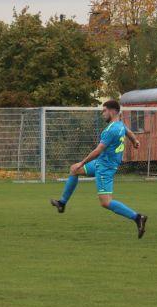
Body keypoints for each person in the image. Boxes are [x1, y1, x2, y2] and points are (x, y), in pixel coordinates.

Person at [49, 100, 148, 238]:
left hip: (105, 168)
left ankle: (137, 217)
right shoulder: (119, 125)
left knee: (106, 202)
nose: (103, 114)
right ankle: (62, 203)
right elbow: (129, 132)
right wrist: (135, 141)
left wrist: (82, 162)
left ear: (112, 111)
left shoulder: (111, 130)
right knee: (74, 169)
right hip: (101, 163)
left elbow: (98, 151)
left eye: (104, 110)